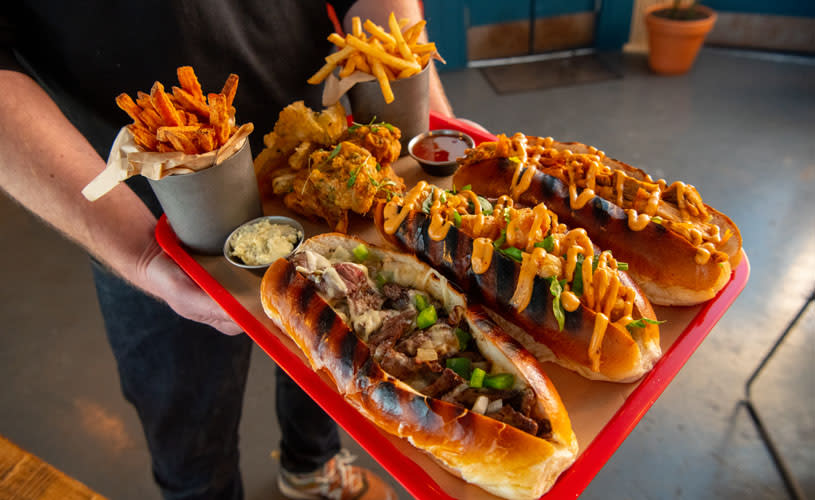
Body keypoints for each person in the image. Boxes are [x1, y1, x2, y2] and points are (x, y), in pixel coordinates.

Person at [0, 1, 454, 499]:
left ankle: (310, 468)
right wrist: (141, 257)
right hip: (144, 218)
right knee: (190, 429)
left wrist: (426, 118)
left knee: (330, 362)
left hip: (317, 177)